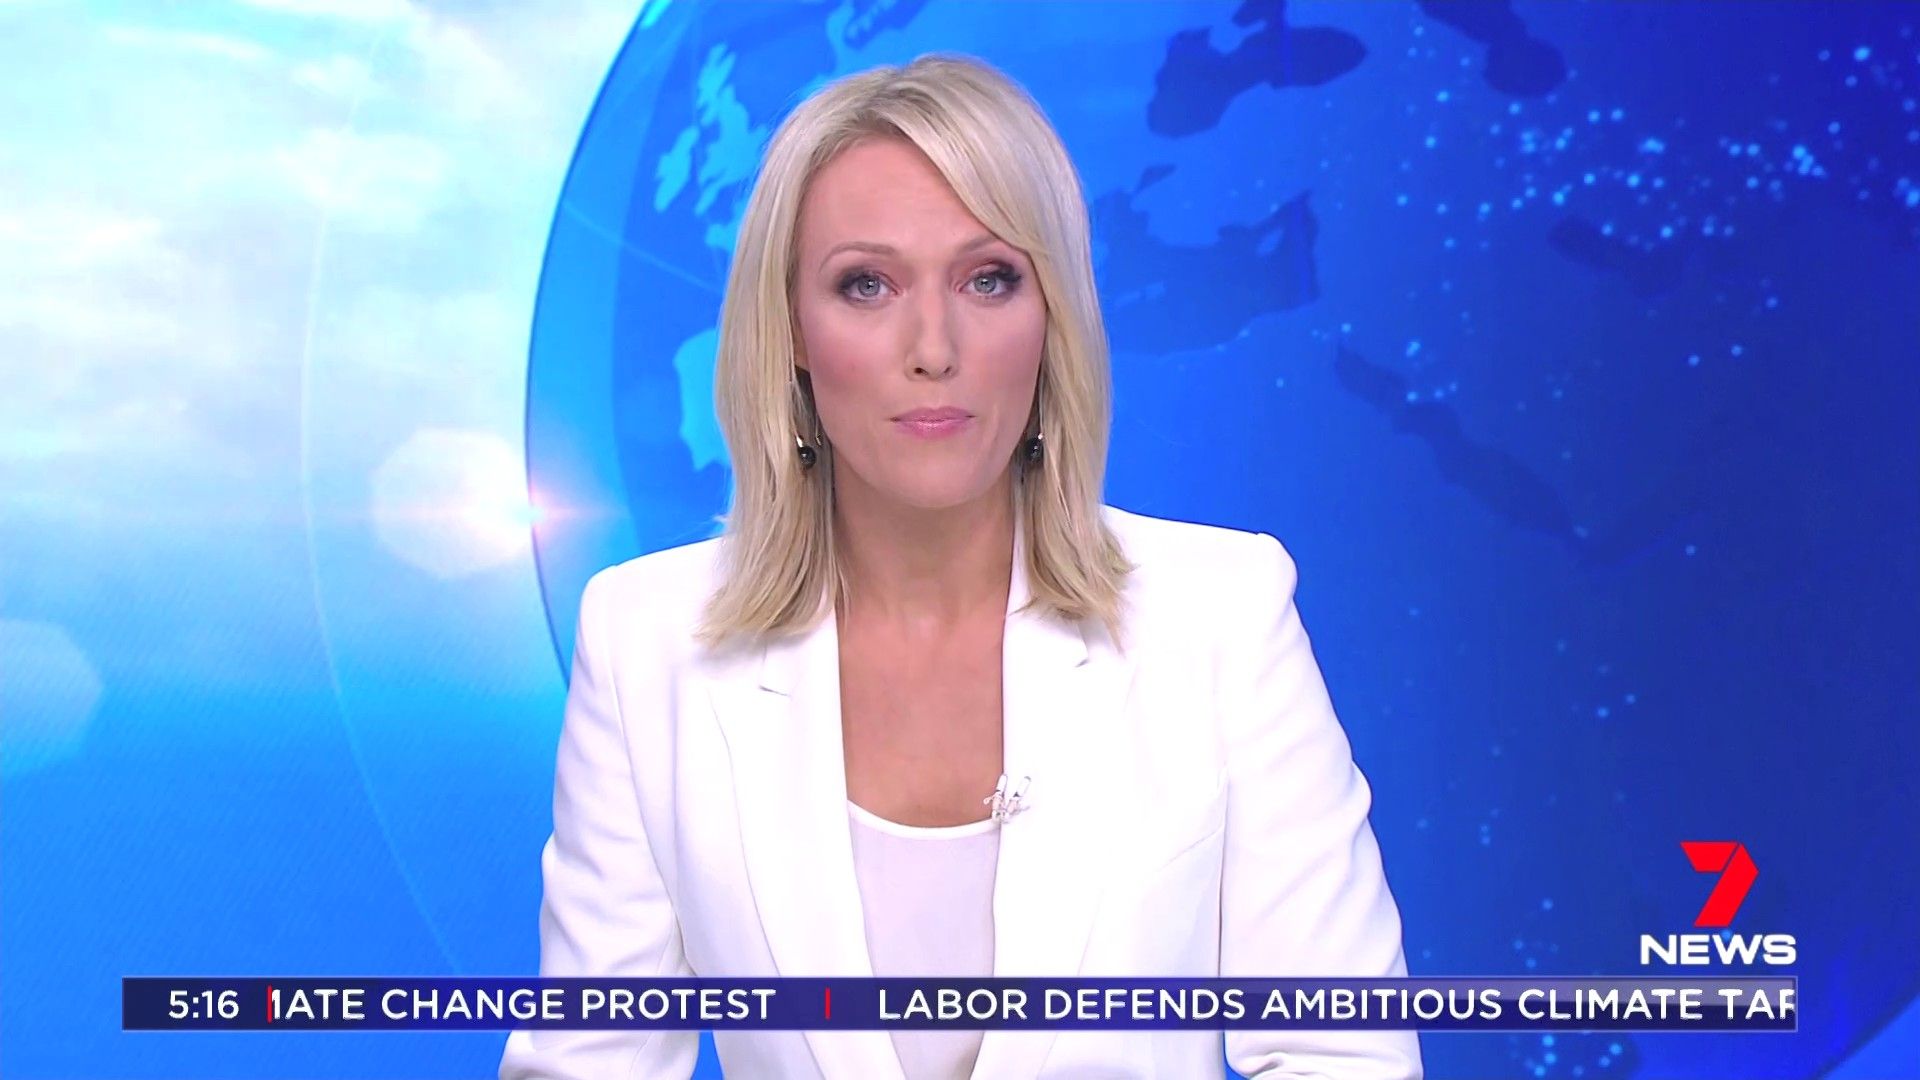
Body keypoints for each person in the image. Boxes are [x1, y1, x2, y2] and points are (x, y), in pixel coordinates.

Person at [500, 52, 1420, 1080]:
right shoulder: (645, 638)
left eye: (989, 280)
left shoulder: (1221, 614)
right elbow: (592, 1061)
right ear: (790, 330)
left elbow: (1346, 1054)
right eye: (866, 285)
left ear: (1051, 317)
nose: (933, 347)